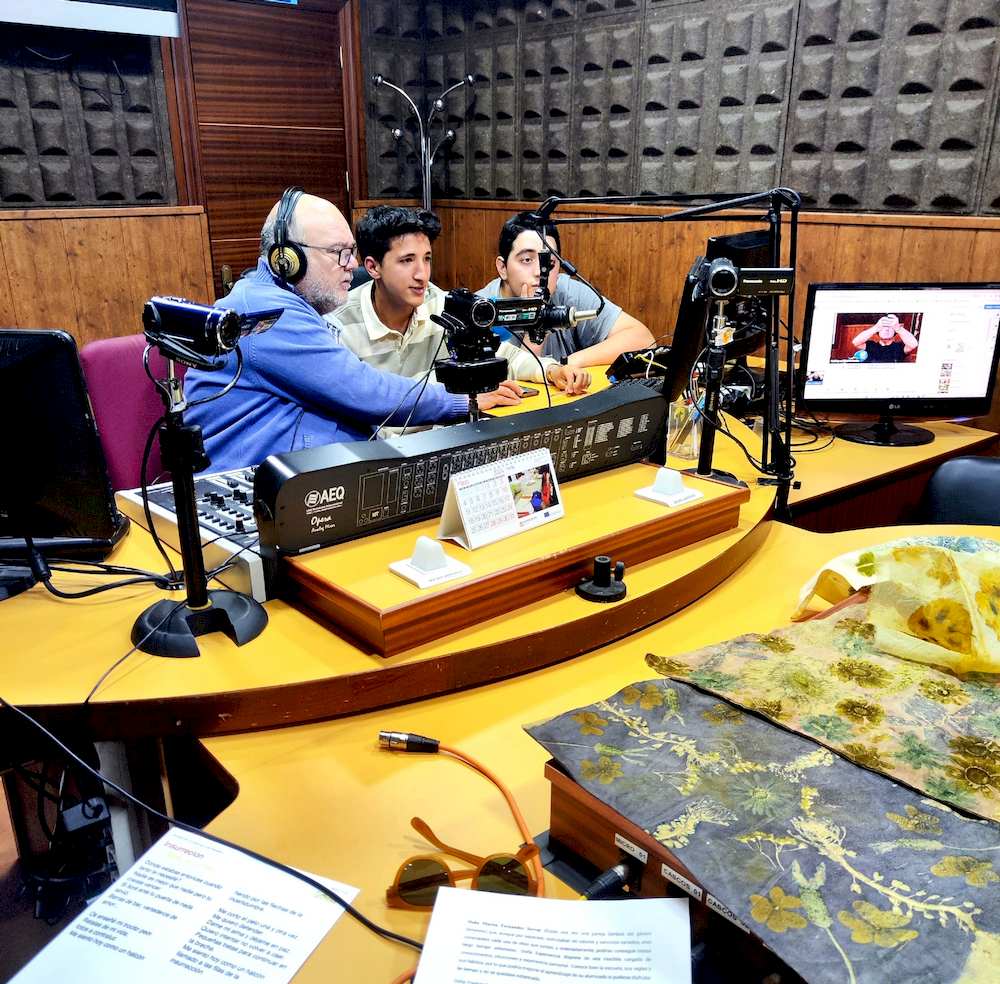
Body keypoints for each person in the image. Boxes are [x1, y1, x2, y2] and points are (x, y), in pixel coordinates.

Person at [184, 189, 474, 472]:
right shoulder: (265, 311)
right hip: (253, 489)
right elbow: (362, 391)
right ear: (287, 259)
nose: (353, 264)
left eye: (351, 252)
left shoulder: (290, 305)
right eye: (339, 253)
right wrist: (462, 400)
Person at [328, 205, 590, 404]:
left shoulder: (440, 303)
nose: (422, 274)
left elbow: (498, 355)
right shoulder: (338, 327)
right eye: (407, 260)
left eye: (427, 259)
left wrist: (550, 370)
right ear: (373, 267)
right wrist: (459, 400)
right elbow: (360, 417)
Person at [477, 211, 654, 368]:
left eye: (549, 263)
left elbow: (643, 339)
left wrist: (566, 364)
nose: (540, 272)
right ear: (502, 268)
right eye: (527, 260)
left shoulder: (568, 292)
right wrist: (536, 325)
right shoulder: (478, 311)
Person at [851, 314, 919, 363]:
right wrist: (876, 327)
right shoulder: (871, 345)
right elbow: (855, 342)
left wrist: (898, 328)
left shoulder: (900, 347)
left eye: (890, 327)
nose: (886, 329)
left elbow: (914, 344)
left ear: (895, 331)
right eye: (883, 327)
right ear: (878, 331)